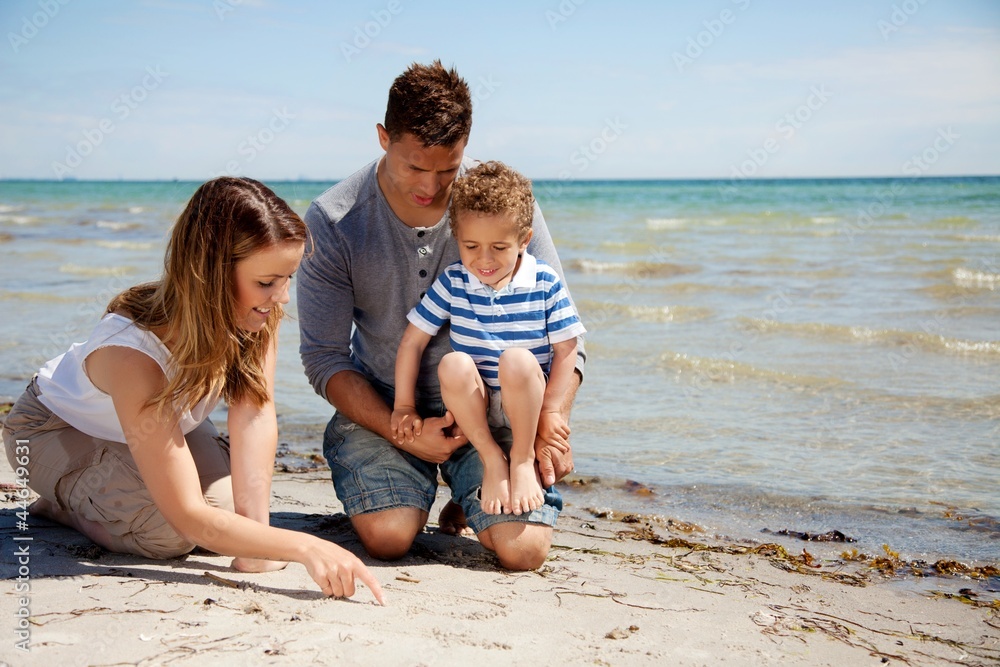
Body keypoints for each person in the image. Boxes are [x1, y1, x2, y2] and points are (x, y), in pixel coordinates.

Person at [1, 177, 383, 603]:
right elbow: (186, 515)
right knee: (169, 534)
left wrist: (258, 543)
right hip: (52, 429)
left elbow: (254, 412)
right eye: (267, 282)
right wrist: (306, 546)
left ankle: (111, 493)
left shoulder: (255, 313)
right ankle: (60, 505)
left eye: (287, 278)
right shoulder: (133, 354)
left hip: (150, 427)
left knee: (230, 519)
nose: (282, 298)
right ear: (212, 275)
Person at [297, 60, 586, 571]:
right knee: (388, 538)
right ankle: (418, 486)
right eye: (415, 166)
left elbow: (563, 336)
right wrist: (396, 425)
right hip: (390, 409)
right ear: (383, 137)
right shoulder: (335, 221)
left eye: (448, 169)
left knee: (522, 551)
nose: (431, 186)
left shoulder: (504, 205)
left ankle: (468, 485)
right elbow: (323, 359)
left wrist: (551, 422)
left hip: (496, 418)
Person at [391, 161, 586, 517]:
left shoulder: (544, 281)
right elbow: (412, 342)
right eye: (471, 246)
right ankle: (492, 459)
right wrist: (404, 405)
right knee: (453, 363)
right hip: (473, 408)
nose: (484, 260)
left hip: (523, 404)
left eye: (498, 246)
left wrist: (553, 410)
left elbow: (567, 348)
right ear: (457, 239)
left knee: (516, 359)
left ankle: (522, 461)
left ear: (524, 240)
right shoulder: (454, 281)